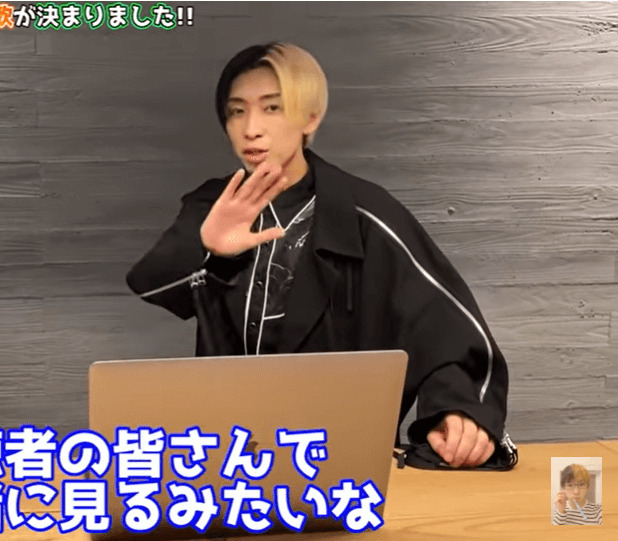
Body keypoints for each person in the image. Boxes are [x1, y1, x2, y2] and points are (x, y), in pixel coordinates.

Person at [126, 42, 516, 469]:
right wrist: (212, 252)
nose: (251, 128)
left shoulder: (364, 214)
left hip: (338, 455)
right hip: (226, 452)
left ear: (310, 117)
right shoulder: (216, 203)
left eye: (272, 108)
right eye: (237, 111)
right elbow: (152, 284)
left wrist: (460, 409)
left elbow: (446, 323)